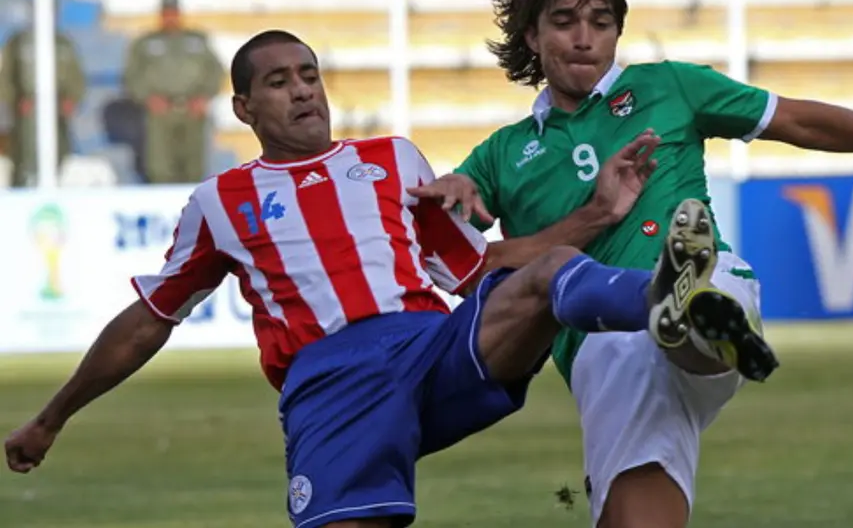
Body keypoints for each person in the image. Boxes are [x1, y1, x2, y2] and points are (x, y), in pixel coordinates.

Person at [5, 29, 696, 528]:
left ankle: (670, 300)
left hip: (434, 350)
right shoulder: (221, 202)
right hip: (335, 381)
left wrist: (597, 213)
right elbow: (150, 318)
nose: (303, 89)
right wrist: (51, 417)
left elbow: (480, 270)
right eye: (279, 82)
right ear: (244, 109)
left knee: (547, 274)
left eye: (309, 74)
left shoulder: (395, 159)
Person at [421, 0, 853, 528]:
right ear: (532, 35)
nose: (586, 38)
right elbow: (467, 271)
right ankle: (682, 313)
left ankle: (690, 313)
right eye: (565, 22)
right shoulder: (500, 155)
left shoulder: (669, 87)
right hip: (599, 346)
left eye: (602, 21)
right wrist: (591, 216)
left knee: (696, 297)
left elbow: (797, 121)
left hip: (702, 282)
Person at [122, 0, 224, 184]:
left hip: (192, 109)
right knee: (160, 168)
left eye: (174, 12)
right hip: (160, 112)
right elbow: (132, 75)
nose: (170, 17)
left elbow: (215, 71)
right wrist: (147, 98)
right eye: (166, 12)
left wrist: (205, 96)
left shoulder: (198, 40)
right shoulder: (145, 43)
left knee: (194, 168)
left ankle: (194, 211)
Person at [0, 5, 86, 188]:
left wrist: (72, 98)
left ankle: (55, 187)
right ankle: (22, 192)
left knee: (58, 151)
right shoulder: (18, 42)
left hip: (56, 108)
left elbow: (76, 76)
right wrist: (15, 101)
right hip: (27, 109)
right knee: (25, 155)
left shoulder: (63, 43)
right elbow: (6, 77)